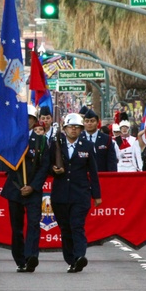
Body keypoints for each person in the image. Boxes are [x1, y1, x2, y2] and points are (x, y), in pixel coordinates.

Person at [49, 112, 102, 273]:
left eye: (77, 127)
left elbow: (93, 172)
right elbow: (47, 165)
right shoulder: (56, 144)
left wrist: (97, 194)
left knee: (77, 225)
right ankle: (71, 259)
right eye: (71, 127)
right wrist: (54, 169)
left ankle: (80, 256)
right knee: (65, 228)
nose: (74, 130)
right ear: (64, 128)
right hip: (60, 194)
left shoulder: (86, 146)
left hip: (80, 194)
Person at [3, 104, 49, 273]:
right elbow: (5, 164)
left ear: (35, 121)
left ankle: (31, 257)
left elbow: (44, 167)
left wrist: (32, 186)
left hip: (33, 190)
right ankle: (20, 259)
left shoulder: (41, 141)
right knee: (16, 228)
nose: (26, 121)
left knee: (34, 224)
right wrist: (20, 185)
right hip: (15, 189)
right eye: (23, 118)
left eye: (30, 118)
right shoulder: (10, 140)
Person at [80, 106, 117, 172]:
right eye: (87, 121)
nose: (89, 123)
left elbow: (112, 161)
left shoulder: (106, 139)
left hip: (101, 176)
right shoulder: (79, 138)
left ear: (97, 123)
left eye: (92, 121)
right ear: (83, 123)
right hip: (82, 178)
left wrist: (112, 178)